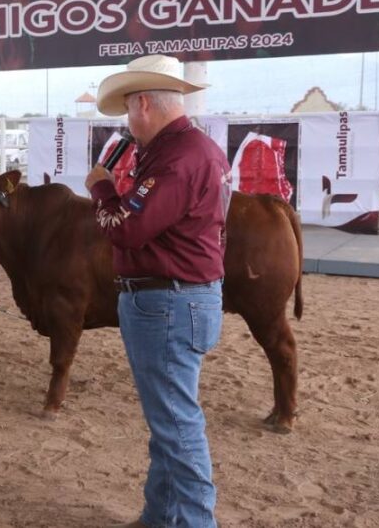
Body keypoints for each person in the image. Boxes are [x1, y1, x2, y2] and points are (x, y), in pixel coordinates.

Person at [84, 55, 231, 528]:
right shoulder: (191, 150)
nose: (128, 122)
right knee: (169, 423)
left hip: (167, 301)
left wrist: (103, 189)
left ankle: (191, 523)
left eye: (129, 110)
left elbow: (126, 229)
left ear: (143, 103)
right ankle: (162, 515)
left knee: (176, 426)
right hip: (180, 296)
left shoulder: (176, 159)